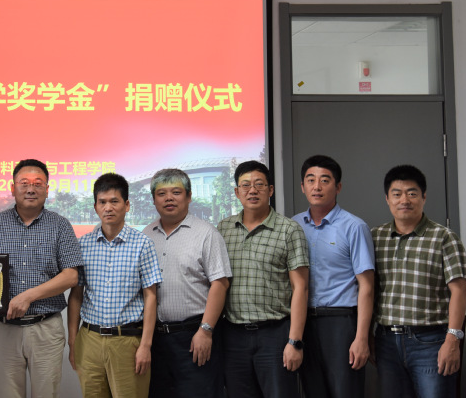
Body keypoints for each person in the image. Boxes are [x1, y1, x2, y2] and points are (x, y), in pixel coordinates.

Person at [0, 158, 83, 398]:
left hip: (45, 328)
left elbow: (71, 276)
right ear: (12, 188)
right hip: (3, 329)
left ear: (47, 189)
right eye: (24, 183)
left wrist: (28, 296)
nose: (31, 188)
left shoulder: (60, 225)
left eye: (38, 183)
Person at [372, 164, 466, 397]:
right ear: (387, 199)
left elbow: (459, 291)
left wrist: (453, 340)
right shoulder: (375, 237)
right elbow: (369, 290)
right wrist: (367, 335)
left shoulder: (443, 237)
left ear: (424, 197)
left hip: (431, 341)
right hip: (386, 341)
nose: (404, 200)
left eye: (412, 193)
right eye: (397, 194)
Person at [216, 160, 309, 398]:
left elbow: (300, 287)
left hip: (275, 335)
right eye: (245, 185)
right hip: (233, 336)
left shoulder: (289, 230)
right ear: (237, 192)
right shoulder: (223, 229)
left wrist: (295, 341)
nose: (252, 190)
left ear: (271, 190)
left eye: (259, 184)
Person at [68, 173, 162, 398]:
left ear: (126, 205)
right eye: (102, 202)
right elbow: (76, 295)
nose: (108, 208)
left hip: (127, 341)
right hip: (89, 340)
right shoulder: (83, 245)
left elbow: (150, 296)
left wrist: (145, 346)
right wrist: (73, 341)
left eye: (114, 201)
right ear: (95, 207)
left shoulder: (142, 244)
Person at [142, 168, 231, 398]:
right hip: (156, 339)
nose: (169, 198)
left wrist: (206, 331)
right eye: (161, 193)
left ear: (189, 196)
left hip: (195, 336)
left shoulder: (207, 234)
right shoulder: (146, 236)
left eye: (176, 192)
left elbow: (220, 284)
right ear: (154, 199)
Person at [291, 155, 374, 398]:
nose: (317, 186)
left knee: (345, 391)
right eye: (311, 180)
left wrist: (362, 338)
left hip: (341, 323)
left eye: (325, 180)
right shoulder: (293, 226)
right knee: (312, 391)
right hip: (304, 323)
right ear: (302, 186)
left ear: (338, 187)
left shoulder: (354, 226)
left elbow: (367, 287)